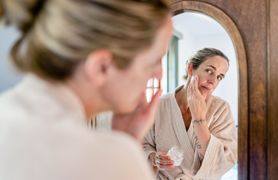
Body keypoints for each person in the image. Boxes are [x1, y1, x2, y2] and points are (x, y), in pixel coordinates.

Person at [0, 0, 173, 179]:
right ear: (101, 67)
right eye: (154, 62)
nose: (158, 75)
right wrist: (126, 149)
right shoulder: (109, 159)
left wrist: (127, 139)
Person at [144, 48, 237, 180]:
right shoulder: (160, 105)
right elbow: (144, 145)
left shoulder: (221, 109)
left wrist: (199, 119)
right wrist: (154, 158)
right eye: (209, 71)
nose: (213, 81)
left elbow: (224, 160)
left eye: (219, 77)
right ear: (190, 68)